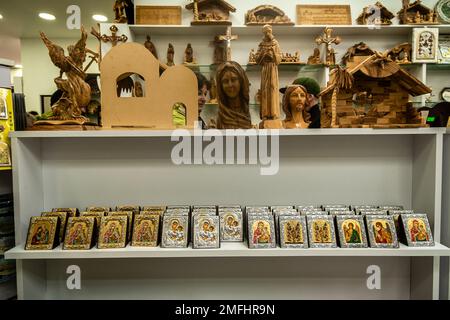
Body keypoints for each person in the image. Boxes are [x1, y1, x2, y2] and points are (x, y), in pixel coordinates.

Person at [255, 25, 282, 123]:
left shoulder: (275, 43)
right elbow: (257, 59)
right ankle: (265, 114)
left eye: (269, 31)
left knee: (273, 89)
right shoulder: (261, 44)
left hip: (273, 68)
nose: (268, 33)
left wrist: (273, 54)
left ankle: (274, 114)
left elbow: (279, 59)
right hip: (265, 68)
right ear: (263, 33)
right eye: (266, 32)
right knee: (265, 90)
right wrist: (264, 54)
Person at [215, 61, 252, 129]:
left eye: (234, 80)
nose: (230, 85)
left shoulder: (245, 111)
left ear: (241, 81)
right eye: (225, 81)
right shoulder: (220, 117)